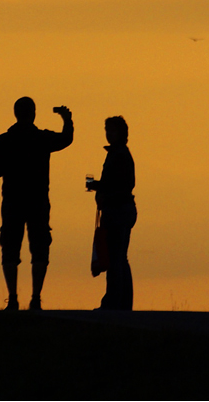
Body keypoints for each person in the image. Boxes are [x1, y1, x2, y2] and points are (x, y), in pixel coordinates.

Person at [0, 97, 73, 310]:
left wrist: (10, 166)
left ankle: (13, 298)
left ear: (15, 113)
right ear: (33, 113)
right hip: (38, 202)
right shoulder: (41, 139)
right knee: (40, 248)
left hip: (13, 202)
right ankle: (35, 298)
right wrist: (67, 119)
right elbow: (66, 139)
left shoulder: (4, 140)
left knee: (10, 248)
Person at [86, 116, 137, 310]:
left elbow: (123, 185)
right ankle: (121, 302)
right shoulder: (118, 153)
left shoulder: (119, 154)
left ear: (121, 133)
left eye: (112, 130)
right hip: (120, 209)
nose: (108, 134)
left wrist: (99, 187)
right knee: (119, 257)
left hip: (118, 210)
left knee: (116, 258)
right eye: (107, 130)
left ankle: (114, 302)